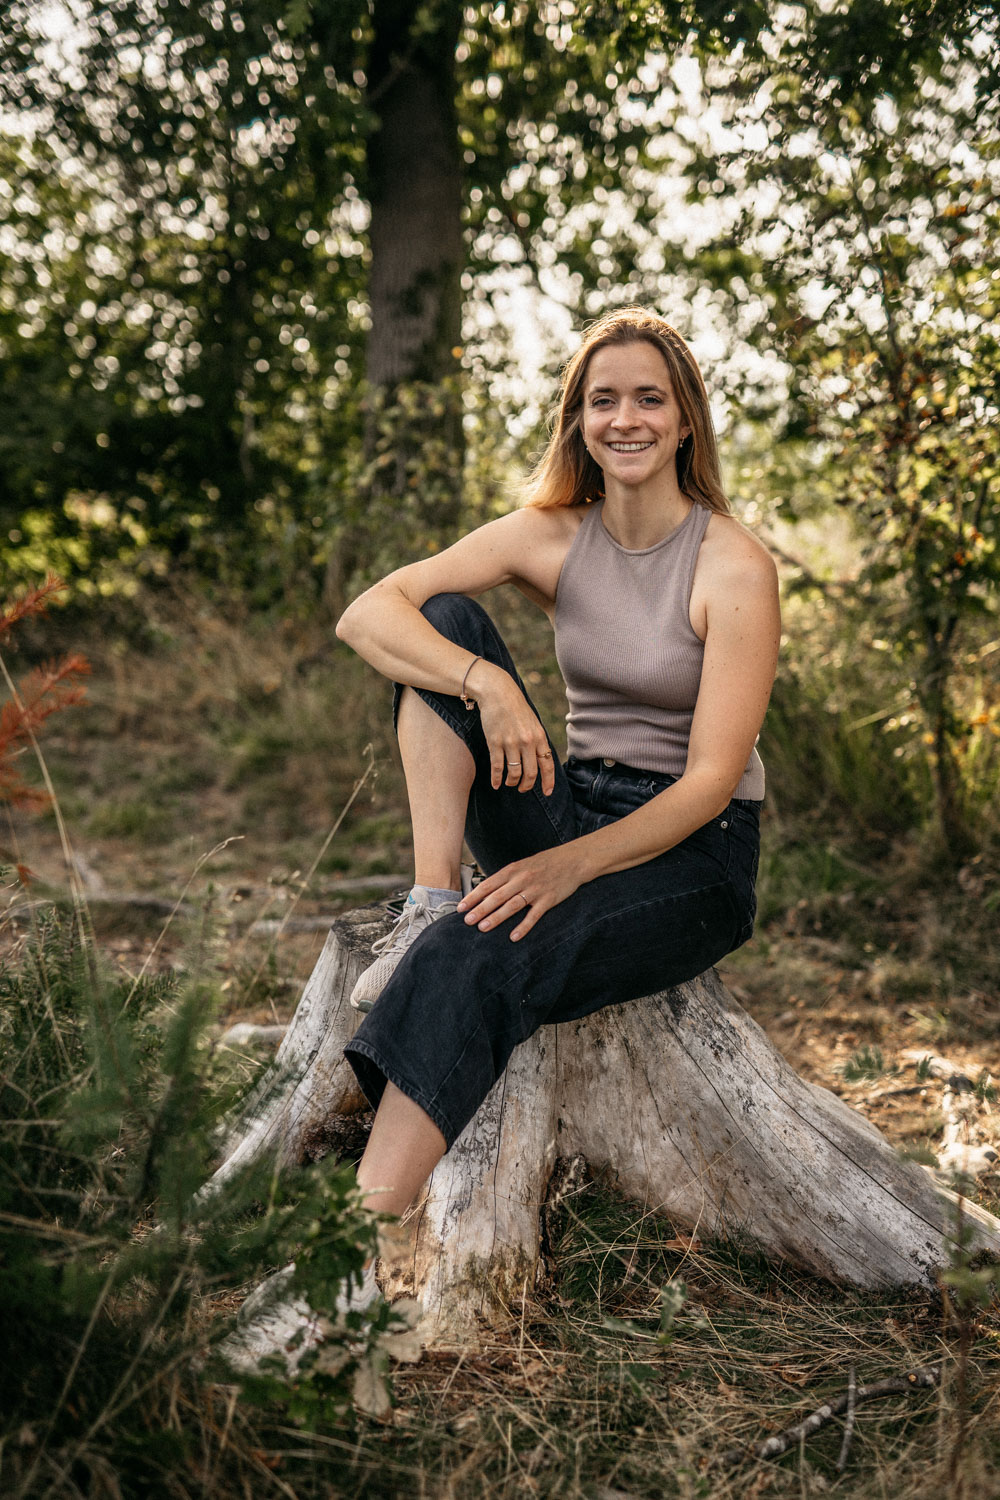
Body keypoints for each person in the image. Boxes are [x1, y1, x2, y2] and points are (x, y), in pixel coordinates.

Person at [229, 307, 780, 1356]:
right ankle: (431, 894)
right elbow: (369, 615)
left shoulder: (732, 566)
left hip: (690, 855)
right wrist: (486, 683)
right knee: (441, 628)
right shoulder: (551, 535)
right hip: (570, 798)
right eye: (601, 398)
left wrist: (565, 868)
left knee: (485, 956)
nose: (624, 417)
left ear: (683, 424)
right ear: (576, 419)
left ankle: (352, 1256)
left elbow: (711, 781)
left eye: (648, 399)